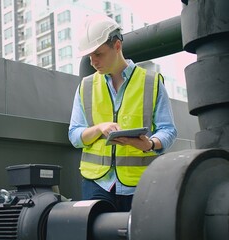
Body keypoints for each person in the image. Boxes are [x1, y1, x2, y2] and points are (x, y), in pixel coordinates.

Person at [68, 15, 177, 212]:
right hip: (96, 184)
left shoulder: (151, 82)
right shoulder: (85, 86)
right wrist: (100, 128)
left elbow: (168, 130)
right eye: (89, 57)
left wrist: (150, 144)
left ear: (117, 46)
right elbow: (75, 135)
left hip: (141, 185)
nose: (93, 62)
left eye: (98, 54)